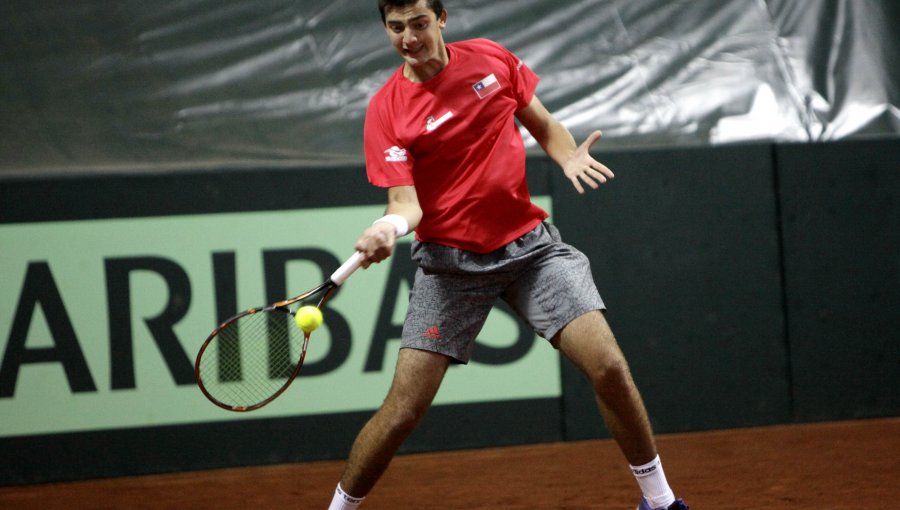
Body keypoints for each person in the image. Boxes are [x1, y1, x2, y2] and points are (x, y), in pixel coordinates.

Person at [329, 1, 688, 509]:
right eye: (395, 27)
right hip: (450, 267)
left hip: (530, 250)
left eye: (418, 23)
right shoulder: (387, 109)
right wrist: (387, 227)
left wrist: (568, 154)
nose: (408, 37)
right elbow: (404, 204)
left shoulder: (491, 61)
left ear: (441, 19)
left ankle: (660, 501)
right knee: (403, 411)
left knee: (608, 365)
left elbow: (541, 122)